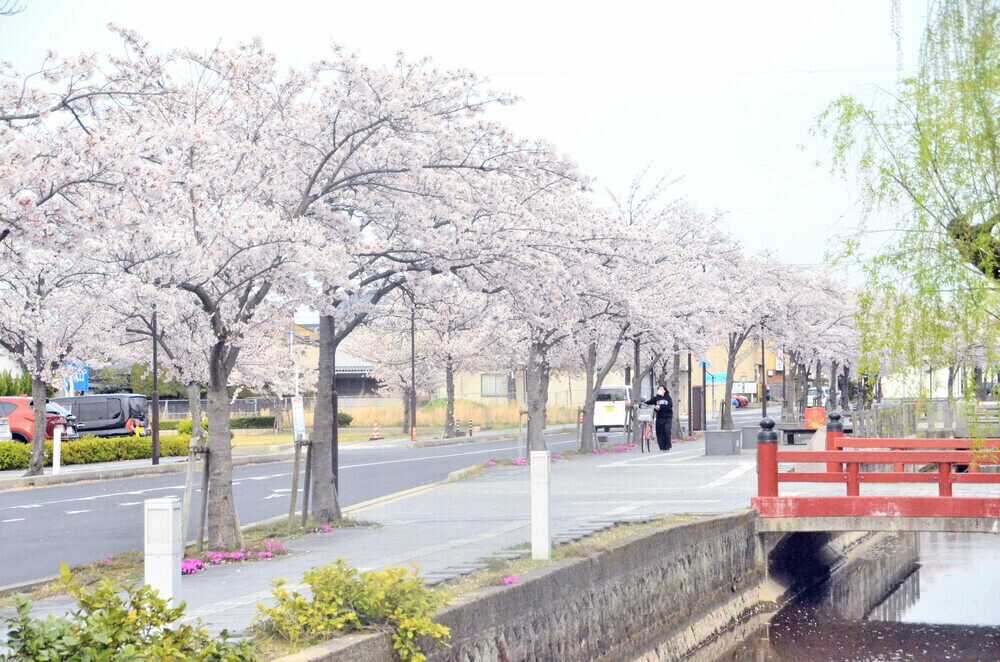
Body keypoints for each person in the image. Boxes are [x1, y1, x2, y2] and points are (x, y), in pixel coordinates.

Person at [642, 385, 674, 451]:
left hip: (667, 417)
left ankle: (668, 447)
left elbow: (670, 405)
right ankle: (662, 447)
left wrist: (660, 407)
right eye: (659, 389)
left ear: (664, 390)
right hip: (659, 417)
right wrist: (640, 405)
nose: (660, 390)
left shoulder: (668, 397)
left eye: (661, 389)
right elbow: (649, 402)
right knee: (659, 432)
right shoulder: (656, 398)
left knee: (667, 431)